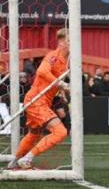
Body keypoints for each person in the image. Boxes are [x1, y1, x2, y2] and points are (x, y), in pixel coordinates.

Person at [8, 29, 70, 170]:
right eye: (70, 40)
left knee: (34, 134)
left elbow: (52, 82)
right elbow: (42, 71)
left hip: (42, 101)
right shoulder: (54, 55)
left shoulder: (66, 62)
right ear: (61, 42)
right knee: (61, 132)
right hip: (37, 100)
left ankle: (15, 163)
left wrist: (61, 91)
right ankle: (27, 158)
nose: (73, 43)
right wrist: (60, 84)